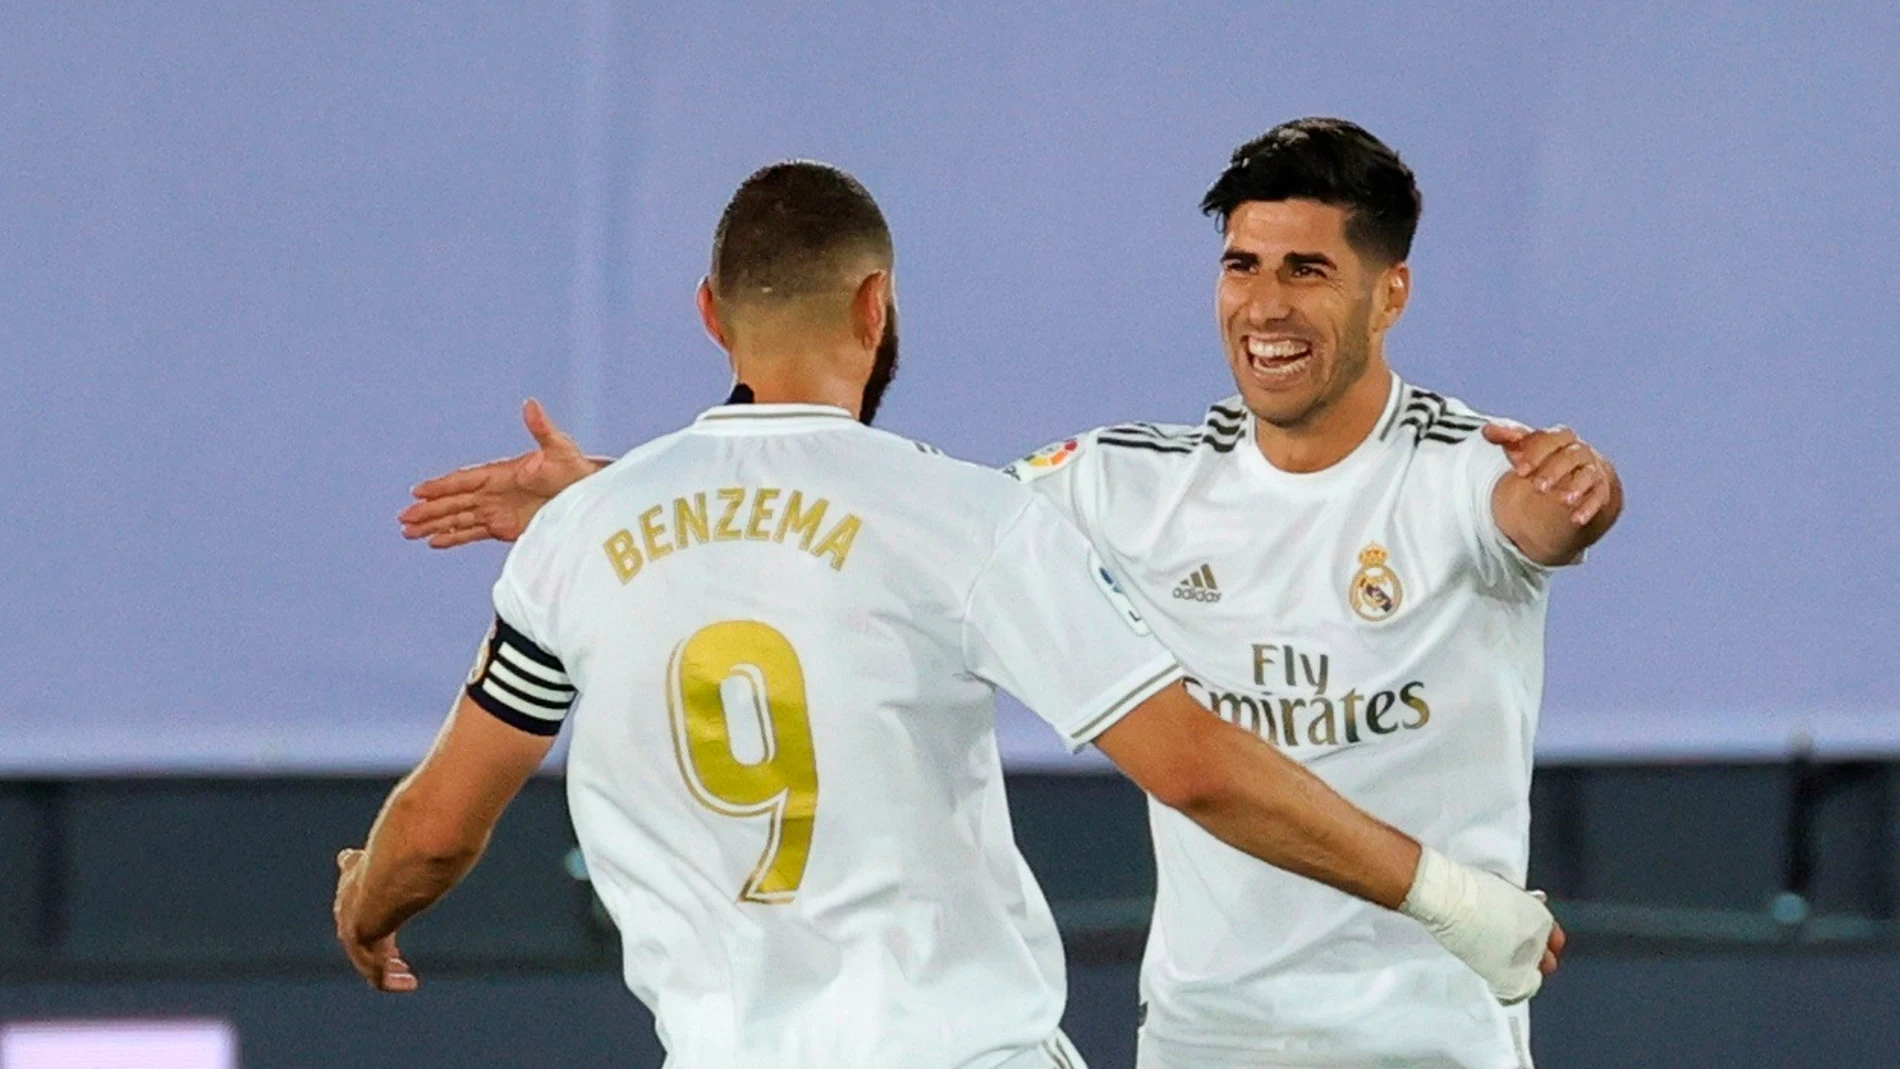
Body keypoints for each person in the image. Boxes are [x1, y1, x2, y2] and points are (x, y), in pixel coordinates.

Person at [337, 159, 1560, 1068]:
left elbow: (441, 830)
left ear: (710, 314)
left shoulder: (576, 547)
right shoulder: (960, 519)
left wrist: (369, 902)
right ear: (875, 307)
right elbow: (1192, 768)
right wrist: (1462, 904)